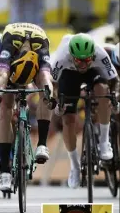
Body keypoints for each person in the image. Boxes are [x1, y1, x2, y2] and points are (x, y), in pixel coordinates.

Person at [51, 33, 119, 189]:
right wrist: (57, 102)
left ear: (93, 55)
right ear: (71, 55)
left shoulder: (100, 53)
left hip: (94, 72)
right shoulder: (62, 56)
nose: (82, 64)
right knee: (68, 120)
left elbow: (114, 80)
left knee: (103, 90)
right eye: (78, 60)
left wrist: (113, 99)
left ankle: (104, 143)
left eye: (86, 60)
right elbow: (53, 84)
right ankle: (75, 167)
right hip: (69, 75)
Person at [0, 22, 55, 191]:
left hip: (36, 56)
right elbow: (3, 74)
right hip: (11, 65)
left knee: (45, 92)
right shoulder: (9, 44)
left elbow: (45, 77)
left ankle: (42, 144)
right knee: (6, 106)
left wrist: (49, 94)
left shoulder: (41, 45)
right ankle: (5, 171)